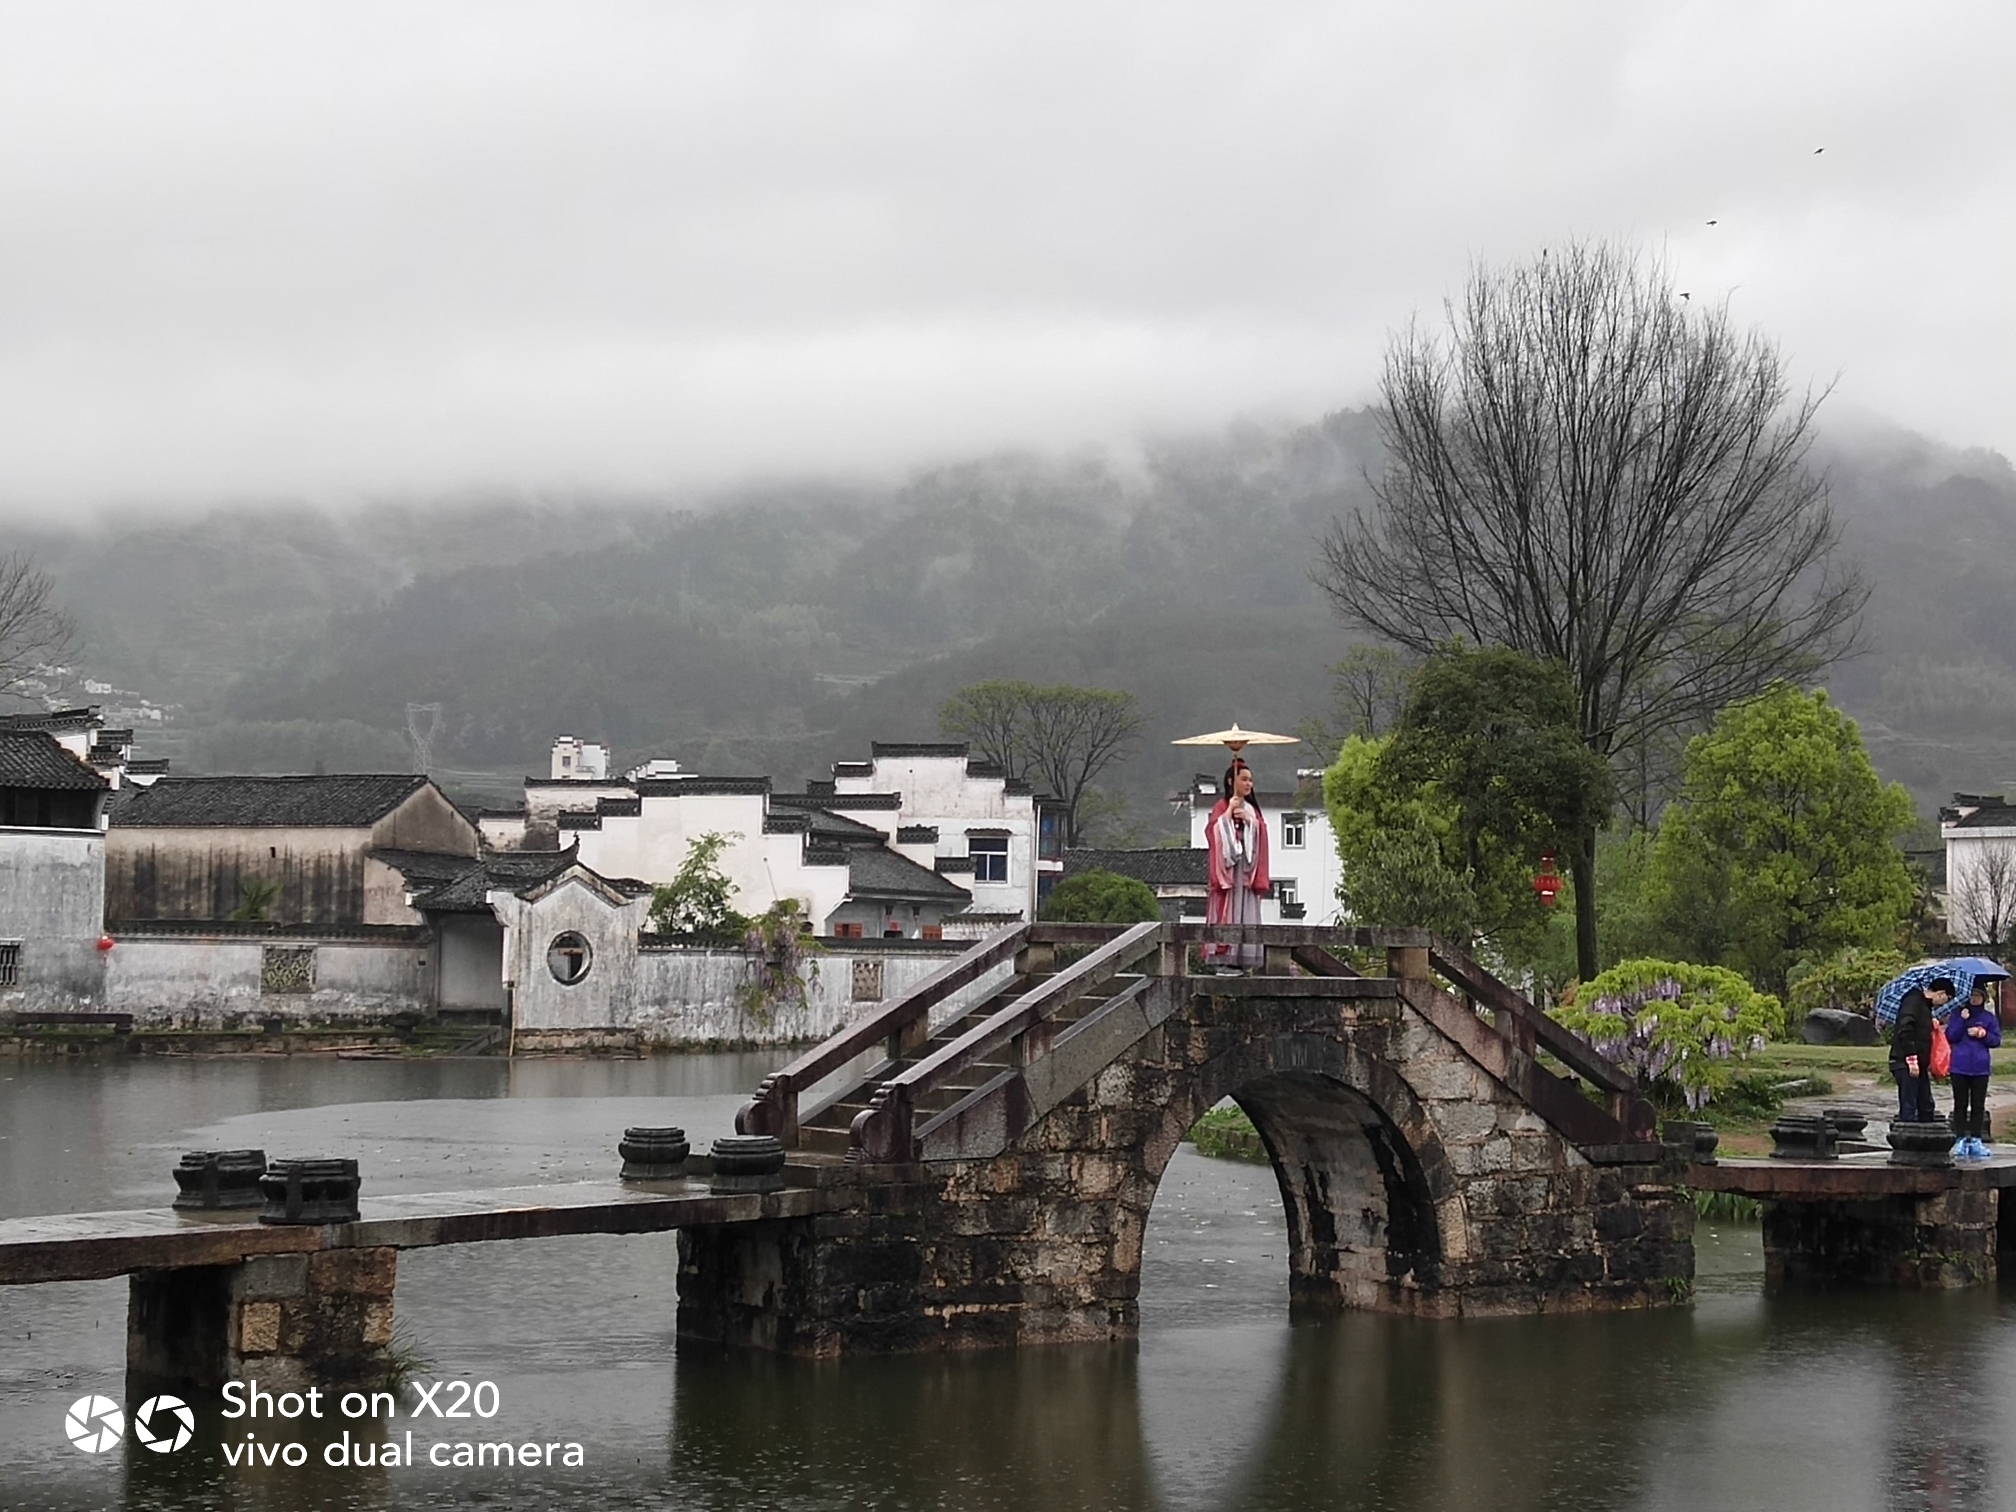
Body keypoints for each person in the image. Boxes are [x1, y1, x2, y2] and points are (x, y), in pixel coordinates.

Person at [1203, 759, 1270, 971]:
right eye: (1244, 779)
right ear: (1232, 781)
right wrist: (1227, 817)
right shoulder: (1221, 806)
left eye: (1251, 780)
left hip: (1246, 869)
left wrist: (1251, 822)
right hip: (1229, 872)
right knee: (1228, 908)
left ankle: (1243, 959)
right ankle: (1225, 958)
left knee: (1245, 908)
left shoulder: (1252, 809)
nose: (1249, 784)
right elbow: (1212, 832)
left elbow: (1262, 832)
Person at [1945, 983, 2001, 1159]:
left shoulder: (1988, 1018)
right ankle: (1960, 1137)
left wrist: (1983, 1034)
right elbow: (1950, 1036)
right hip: (1959, 1066)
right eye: (1972, 996)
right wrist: (1962, 1020)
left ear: (1983, 998)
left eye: (1978, 996)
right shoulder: (1958, 1013)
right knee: (1960, 1104)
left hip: (1980, 1068)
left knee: (1978, 1105)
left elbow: (1996, 1040)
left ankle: (1976, 1138)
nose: (1975, 999)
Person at [1890, 976, 1955, 1125]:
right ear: (1941, 993)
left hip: (1921, 1064)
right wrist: (1911, 1058)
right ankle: (1906, 1140)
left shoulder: (1925, 1007)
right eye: (1947, 998)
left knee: (1926, 1106)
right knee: (1909, 1106)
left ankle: (1926, 1140)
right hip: (1906, 1061)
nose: (1945, 1002)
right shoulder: (1913, 1000)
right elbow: (1905, 1029)